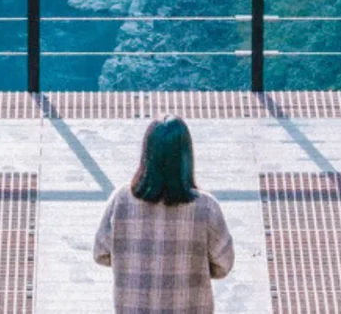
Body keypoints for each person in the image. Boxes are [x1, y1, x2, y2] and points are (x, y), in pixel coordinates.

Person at [93, 117, 235, 313]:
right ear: (186, 156)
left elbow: (100, 253)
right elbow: (224, 264)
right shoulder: (206, 207)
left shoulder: (121, 200)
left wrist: (131, 264)